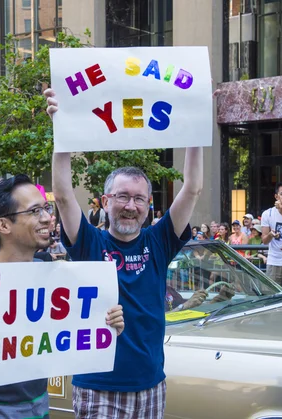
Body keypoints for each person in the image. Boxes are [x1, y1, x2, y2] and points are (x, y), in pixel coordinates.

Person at [46, 88, 202, 418]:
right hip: (97, 385)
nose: (130, 206)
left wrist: (197, 126)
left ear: (148, 206)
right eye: (122, 196)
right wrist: (62, 130)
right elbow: (62, 195)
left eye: (139, 199)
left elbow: (192, 188)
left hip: (150, 384)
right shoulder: (90, 243)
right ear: (105, 202)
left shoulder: (159, 242)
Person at [0, 175, 124, 418]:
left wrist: (106, 326)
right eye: (34, 211)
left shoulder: (53, 278)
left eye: (46, 208)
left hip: (40, 409)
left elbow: (74, 336)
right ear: (3, 225)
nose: (46, 218)